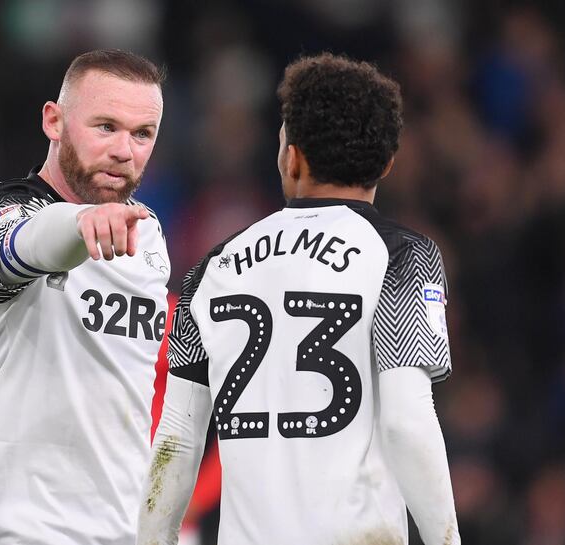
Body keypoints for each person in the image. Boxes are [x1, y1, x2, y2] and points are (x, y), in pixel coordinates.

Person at [138, 53, 461, 545]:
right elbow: (407, 419)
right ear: (388, 163)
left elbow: (177, 437)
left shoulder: (212, 269)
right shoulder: (400, 257)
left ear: (292, 156)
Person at [0, 49, 170, 545]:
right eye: (105, 126)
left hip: (118, 532)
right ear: (54, 120)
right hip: (12, 530)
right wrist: (77, 222)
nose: (124, 150)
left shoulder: (147, 236)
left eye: (142, 133)